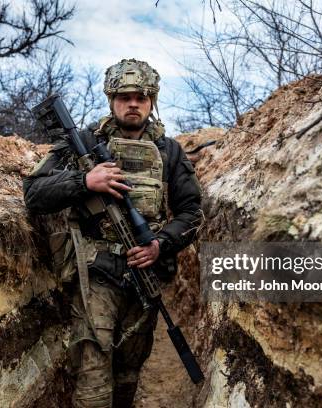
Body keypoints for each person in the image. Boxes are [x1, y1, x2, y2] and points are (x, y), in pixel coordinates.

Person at [23, 59, 202, 408]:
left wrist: (159, 245)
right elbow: (33, 193)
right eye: (124, 96)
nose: (132, 103)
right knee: (92, 371)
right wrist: (84, 181)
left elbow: (192, 213)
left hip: (145, 273)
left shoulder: (170, 151)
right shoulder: (85, 143)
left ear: (152, 101)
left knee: (129, 371)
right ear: (110, 99)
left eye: (141, 96)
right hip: (96, 274)